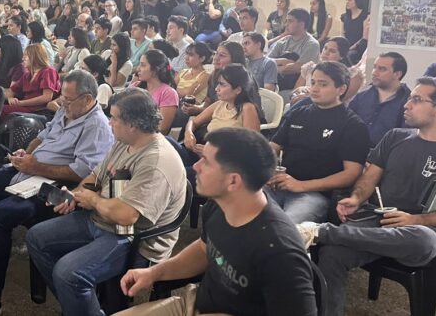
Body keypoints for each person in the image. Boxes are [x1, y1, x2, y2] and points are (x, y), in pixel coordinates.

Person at [0, 71, 114, 315]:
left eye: (68, 99)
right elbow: (42, 137)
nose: (62, 103)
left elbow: (83, 173)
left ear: (87, 99)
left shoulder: (96, 126)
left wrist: (36, 167)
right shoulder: (68, 111)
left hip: (52, 187)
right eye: (62, 97)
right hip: (25, 171)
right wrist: (27, 153)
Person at [301, 77, 436, 316]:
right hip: (377, 222)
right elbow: (369, 179)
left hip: (416, 231)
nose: (406, 104)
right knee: (332, 255)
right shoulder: (395, 137)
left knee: (424, 240)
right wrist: (356, 199)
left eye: (416, 100)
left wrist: (416, 220)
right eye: (410, 98)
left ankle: (320, 232)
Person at [116, 127, 317, 316]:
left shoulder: (279, 251)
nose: (196, 167)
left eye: (205, 161)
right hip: (195, 303)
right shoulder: (219, 204)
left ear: (233, 181)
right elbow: (204, 249)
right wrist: (153, 273)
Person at [26, 88, 186, 316]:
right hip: (103, 217)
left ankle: (78, 302)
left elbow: (127, 217)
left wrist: (92, 199)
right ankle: (80, 305)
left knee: (68, 273)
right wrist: (77, 195)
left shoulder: (155, 161)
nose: (109, 123)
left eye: (114, 118)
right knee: (36, 237)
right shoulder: (125, 141)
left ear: (132, 124)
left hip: (134, 237)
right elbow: (96, 176)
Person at [268, 61, 370, 222]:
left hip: (314, 194)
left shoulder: (352, 125)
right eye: (313, 82)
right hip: (279, 185)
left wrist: (301, 185)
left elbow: (351, 174)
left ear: (341, 89)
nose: (314, 89)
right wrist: (264, 171)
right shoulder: (298, 113)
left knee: (286, 226)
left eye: (323, 84)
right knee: (235, 204)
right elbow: (272, 148)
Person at [348, 52, 410, 146]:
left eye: (382, 69)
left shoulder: (408, 102)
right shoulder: (361, 96)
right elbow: (347, 125)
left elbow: (406, 138)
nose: (374, 73)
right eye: (375, 67)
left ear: (397, 74)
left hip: (387, 153)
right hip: (354, 149)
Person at [291, 36, 364, 104]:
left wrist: (308, 97)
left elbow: (339, 99)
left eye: (332, 51)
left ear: (341, 56)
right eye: (325, 48)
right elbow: (295, 91)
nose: (326, 53)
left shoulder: (353, 75)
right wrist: (299, 91)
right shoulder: (310, 68)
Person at [268, 8, 321, 93]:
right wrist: (283, 61)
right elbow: (266, 62)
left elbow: (297, 68)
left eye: (290, 21)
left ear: (302, 24)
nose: (286, 25)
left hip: (298, 89)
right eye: (286, 21)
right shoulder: (283, 41)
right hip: (276, 82)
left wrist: (276, 68)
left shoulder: (312, 44)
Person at [3, 43, 60, 116]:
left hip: (38, 110)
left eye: (25, 56)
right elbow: (11, 91)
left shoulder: (48, 71)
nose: (22, 59)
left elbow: (46, 97)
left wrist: (21, 103)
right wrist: (10, 98)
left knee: (1, 110)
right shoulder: (28, 75)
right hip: (25, 107)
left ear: (35, 56)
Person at [131, 49, 179, 135]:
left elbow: (162, 128)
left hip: (149, 137)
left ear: (155, 70)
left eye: (143, 65)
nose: (138, 69)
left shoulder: (168, 93)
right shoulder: (135, 86)